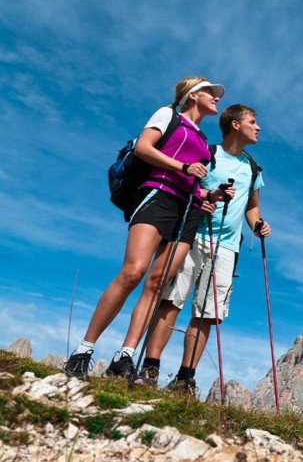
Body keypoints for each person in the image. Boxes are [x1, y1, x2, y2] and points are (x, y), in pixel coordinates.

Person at [64, 76, 234, 381]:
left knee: (157, 285)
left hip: (189, 210)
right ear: (192, 95)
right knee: (133, 272)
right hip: (158, 195)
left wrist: (213, 196)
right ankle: (82, 351)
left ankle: (125, 356)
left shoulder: (203, 143)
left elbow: (195, 183)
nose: (217, 98)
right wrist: (181, 167)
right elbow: (144, 148)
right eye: (211, 92)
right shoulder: (168, 115)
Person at [137, 104, 271, 393]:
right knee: (172, 299)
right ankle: (150, 367)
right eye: (253, 121)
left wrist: (258, 225)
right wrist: (203, 197)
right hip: (192, 235)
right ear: (235, 124)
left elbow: (252, 206)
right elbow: (184, 185)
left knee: (208, 312)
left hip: (228, 247)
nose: (258, 127)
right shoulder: (206, 154)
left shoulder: (252, 168)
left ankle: (185, 378)